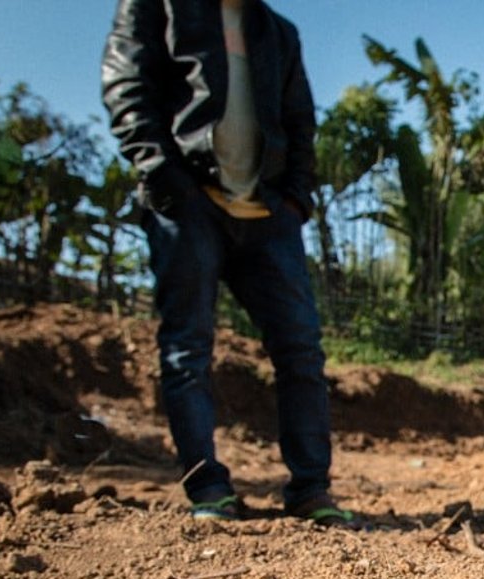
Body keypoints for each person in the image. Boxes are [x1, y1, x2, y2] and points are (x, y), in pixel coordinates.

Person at [101, 0, 361, 528]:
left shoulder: (277, 32)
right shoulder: (157, 8)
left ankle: (311, 489)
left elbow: (300, 120)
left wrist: (295, 202)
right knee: (187, 348)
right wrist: (163, 174)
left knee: (301, 350)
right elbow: (126, 83)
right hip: (188, 203)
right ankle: (208, 489)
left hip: (268, 213)